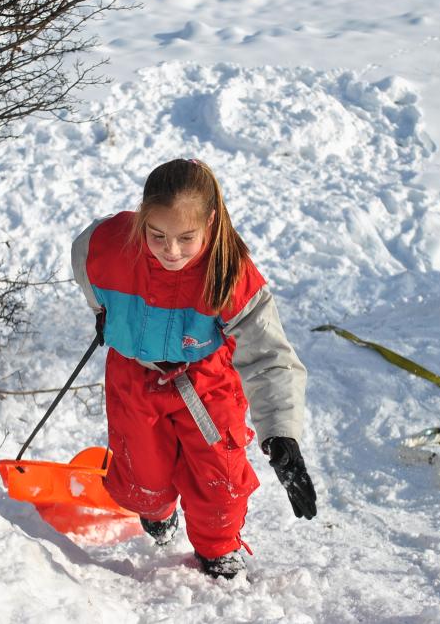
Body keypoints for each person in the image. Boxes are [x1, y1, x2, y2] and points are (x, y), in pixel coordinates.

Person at [71, 158, 316, 579]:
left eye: (187, 238)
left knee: (220, 479)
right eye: (158, 235)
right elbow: (85, 266)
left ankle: (219, 547)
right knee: (143, 480)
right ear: (143, 217)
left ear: (211, 222)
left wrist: (282, 436)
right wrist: (103, 313)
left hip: (205, 381)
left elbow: (269, 357)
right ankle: (157, 507)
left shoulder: (228, 272)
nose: (171, 251)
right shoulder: (106, 246)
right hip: (135, 377)